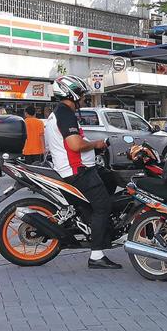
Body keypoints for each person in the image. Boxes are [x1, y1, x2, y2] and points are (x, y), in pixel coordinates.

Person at [43, 74, 120, 270]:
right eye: (82, 95)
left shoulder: (59, 113)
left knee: (111, 179)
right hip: (77, 170)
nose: (84, 98)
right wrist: (96, 143)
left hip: (77, 167)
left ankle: (93, 224)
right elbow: (75, 144)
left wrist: (95, 148)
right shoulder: (65, 113)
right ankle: (96, 255)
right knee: (103, 206)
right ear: (72, 94)